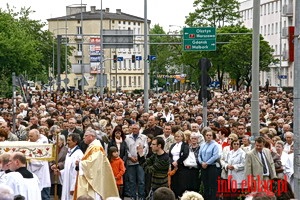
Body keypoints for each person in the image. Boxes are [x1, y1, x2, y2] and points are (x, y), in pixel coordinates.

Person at [73, 128, 118, 200]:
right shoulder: (92, 146)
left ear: (92, 136)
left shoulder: (96, 147)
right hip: (92, 175)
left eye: (86, 135)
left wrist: (80, 163)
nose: (83, 137)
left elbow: (93, 162)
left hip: (95, 178)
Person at [52, 133, 83, 200]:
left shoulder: (78, 154)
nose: (67, 142)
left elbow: (76, 172)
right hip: (67, 183)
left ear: (75, 142)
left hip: (72, 183)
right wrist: (60, 172)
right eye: (67, 140)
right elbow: (68, 168)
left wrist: (73, 186)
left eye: (69, 140)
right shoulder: (69, 152)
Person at [124, 123, 148, 199]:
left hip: (140, 162)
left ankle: (141, 196)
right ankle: (133, 196)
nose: (134, 130)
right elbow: (126, 149)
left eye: (136, 129)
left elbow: (145, 148)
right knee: (131, 181)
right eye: (133, 128)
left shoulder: (143, 137)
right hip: (130, 162)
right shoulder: (127, 137)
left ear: (139, 129)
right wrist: (130, 157)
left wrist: (139, 157)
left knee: (141, 181)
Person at [27, 129, 51, 200]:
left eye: (31, 136)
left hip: (42, 174)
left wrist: (29, 158)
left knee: (44, 196)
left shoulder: (42, 144)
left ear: (37, 136)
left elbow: (39, 162)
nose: (29, 138)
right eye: (29, 136)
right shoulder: (30, 142)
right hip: (33, 174)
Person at [198, 130, 220, 200]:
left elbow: (215, 156)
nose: (208, 137)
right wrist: (201, 162)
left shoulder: (215, 145)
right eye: (207, 135)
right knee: (205, 185)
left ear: (213, 136)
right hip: (203, 166)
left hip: (212, 167)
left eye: (210, 135)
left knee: (212, 185)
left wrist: (207, 163)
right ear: (205, 136)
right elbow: (199, 155)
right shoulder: (203, 145)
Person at [169, 130, 189, 198]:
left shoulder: (185, 145)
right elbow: (169, 155)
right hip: (173, 166)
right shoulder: (173, 145)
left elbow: (185, 154)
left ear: (182, 137)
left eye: (178, 136)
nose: (177, 138)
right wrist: (172, 162)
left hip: (181, 166)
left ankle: (181, 196)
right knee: (174, 182)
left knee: (181, 182)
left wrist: (177, 162)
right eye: (176, 136)